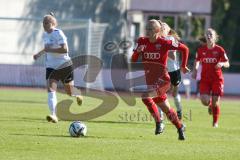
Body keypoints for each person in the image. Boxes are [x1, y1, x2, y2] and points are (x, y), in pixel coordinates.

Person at [131, 19, 190, 140]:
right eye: (146, 28)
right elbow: (132, 60)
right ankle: (180, 128)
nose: (147, 31)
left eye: (150, 29)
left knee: (145, 97)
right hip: (151, 81)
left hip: (163, 80)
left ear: (158, 31)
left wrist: (183, 65)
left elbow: (185, 49)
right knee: (167, 109)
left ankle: (159, 122)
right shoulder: (142, 41)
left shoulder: (164, 42)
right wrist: (137, 52)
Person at [33, 13, 83, 123]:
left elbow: (65, 49)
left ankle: (77, 94)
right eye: (43, 23)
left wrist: (50, 50)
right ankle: (54, 115)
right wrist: (38, 54)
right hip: (51, 66)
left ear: (53, 24)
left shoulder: (58, 33)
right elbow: (47, 48)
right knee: (51, 90)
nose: (44, 25)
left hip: (64, 65)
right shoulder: (45, 35)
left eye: (47, 22)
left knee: (69, 92)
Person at [192, 28, 230, 128]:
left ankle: (215, 122)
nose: (209, 36)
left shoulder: (219, 50)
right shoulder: (201, 50)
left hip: (217, 79)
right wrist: (195, 70)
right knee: (204, 101)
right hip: (205, 79)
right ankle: (209, 106)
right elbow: (197, 61)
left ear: (215, 38)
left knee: (215, 102)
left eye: (211, 34)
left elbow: (227, 63)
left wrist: (222, 63)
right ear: (205, 36)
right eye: (207, 34)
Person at [160, 22, 183, 120]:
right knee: (160, 94)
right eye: (161, 27)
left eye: (164, 27)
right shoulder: (157, 39)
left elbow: (173, 57)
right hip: (162, 70)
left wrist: (162, 50)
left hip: (174, 70)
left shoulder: (170, 39)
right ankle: (160, 117)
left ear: (168, 30)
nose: (162, 28)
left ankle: (179, 110)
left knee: (174, 94)